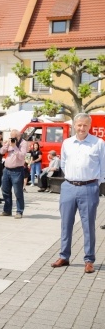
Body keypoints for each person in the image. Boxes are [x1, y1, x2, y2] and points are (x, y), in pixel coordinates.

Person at [51, 113, 105, 274]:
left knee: (88, 225)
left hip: (89, 188)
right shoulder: (67, 143)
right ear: (74, 125)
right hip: (68, 187)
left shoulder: (98, 143)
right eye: (79, 125)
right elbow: (64, 163)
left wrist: (96, 184)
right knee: (65, 224)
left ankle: (89, 260)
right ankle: (64, 256)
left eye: (85, 125)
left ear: (90, 126)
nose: (82, 128)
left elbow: (103, 167)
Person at [0, 129, 27, 219]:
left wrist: (14, 147)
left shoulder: (23, 143)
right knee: (5, 190)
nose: (12, 139)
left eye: (13, 137)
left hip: (17, 171)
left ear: (18, 137)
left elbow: (22, 156)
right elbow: (1, 152)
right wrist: (5, 145)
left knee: (18, 192)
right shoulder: (9, 142)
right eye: (11, 136)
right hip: (6, 170)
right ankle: (7, 210)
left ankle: (19, 211)